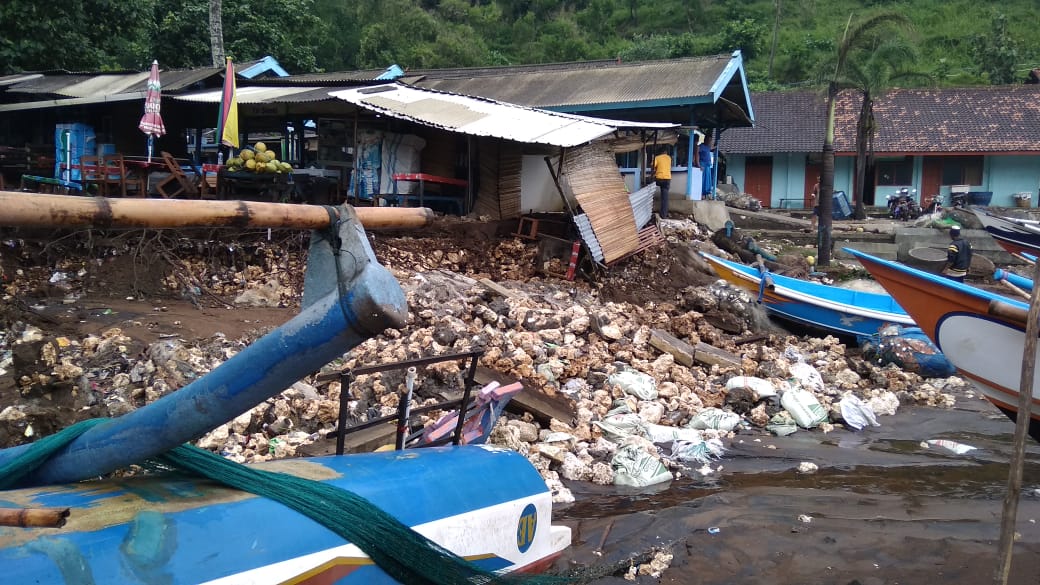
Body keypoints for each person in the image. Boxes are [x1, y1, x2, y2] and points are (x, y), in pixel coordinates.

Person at [652, 145, 672, 219]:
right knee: (665, 198)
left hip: (659, 179)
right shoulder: (669, 158)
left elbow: (652, 166)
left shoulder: (657, 158)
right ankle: (663, 215)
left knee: (648, 182)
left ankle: (648, 198)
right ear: (665, 152)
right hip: (667, 179)